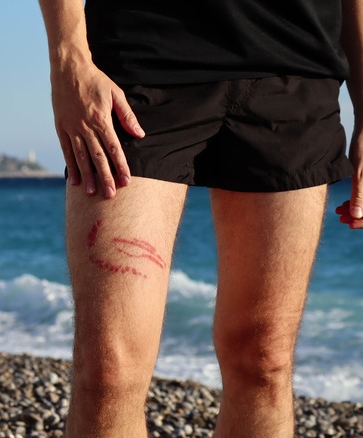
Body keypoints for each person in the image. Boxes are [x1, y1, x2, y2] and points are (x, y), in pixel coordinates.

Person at [38, 0, 363, 436]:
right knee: (109, 371)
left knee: (263, 359)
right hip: (139, 58)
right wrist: (68, 56)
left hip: (296, 59)